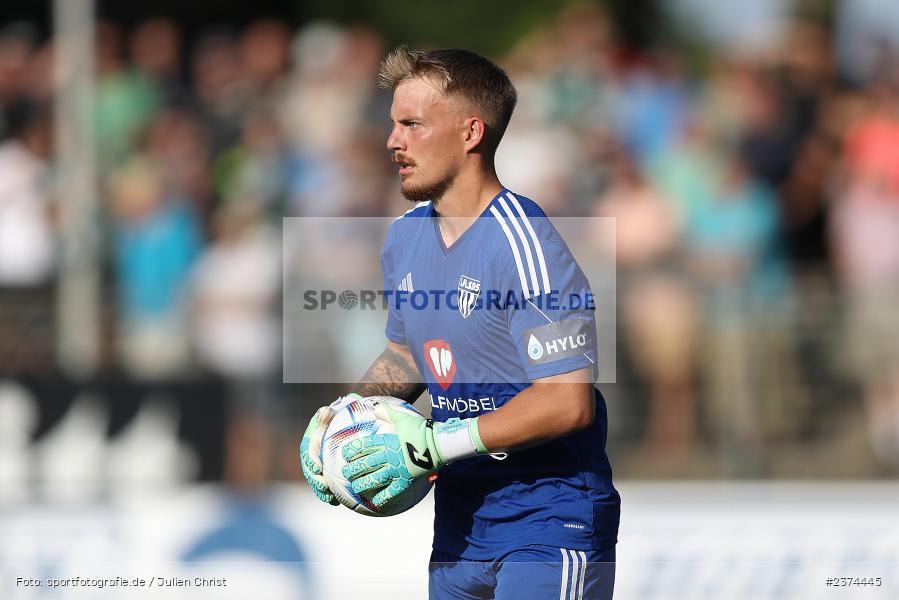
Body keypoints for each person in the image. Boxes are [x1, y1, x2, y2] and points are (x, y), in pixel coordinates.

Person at [300, 47, 620, 599]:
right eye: (392, 123)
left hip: (548, 524)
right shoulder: (405, 236)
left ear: (471, 132)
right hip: (460, 531)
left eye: (411, 124)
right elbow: (405, 354)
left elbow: (568, 400)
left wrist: (434, 444)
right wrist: (345, 416)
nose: (392, 141)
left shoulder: (527, 244)